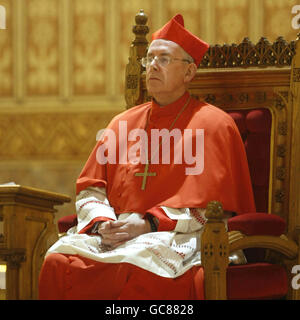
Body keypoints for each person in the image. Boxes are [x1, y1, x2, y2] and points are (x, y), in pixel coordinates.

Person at [39, 14, 255, 300]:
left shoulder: (215, 125)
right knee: (57, 262)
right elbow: (92, 187)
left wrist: (146, 224)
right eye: (149, 59)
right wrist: (104, 224)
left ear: (189, 73)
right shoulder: (121, 124)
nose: (152, 65)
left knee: (140, 266)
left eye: (164, 59)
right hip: (116, 233)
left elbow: (215, 208)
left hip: (178, 234)